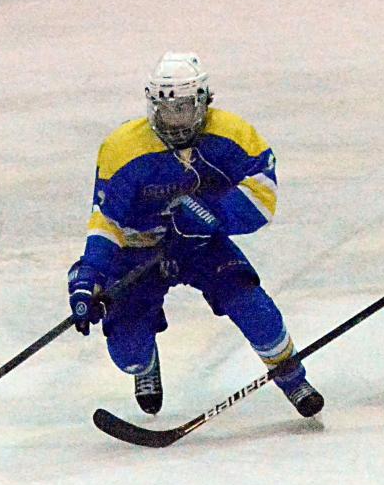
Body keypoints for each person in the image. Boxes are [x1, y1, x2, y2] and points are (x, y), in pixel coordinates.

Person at [67, 52, 324, 417]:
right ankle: (145, 365)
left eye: (183, 109)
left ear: (204, 101)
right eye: (165, 110)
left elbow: (263, 197)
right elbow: (106, 221)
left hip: (201, 245)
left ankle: (293, 379)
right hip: (139, 251)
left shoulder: (233, 135)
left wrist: (210, 214)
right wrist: (90, 276)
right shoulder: (122, 148)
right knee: (129, 355)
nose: (173, 121)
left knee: (252, 305)